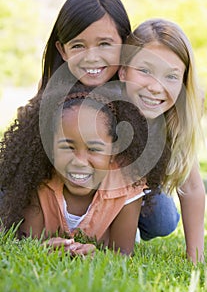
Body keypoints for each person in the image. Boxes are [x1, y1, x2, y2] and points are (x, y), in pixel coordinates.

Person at [36, 0, 181, 241]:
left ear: (124, 43)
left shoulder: (136, 84)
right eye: (78, 45)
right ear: (63, 50)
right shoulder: (57, 93)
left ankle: (118, 221)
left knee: (162, 219)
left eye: (105, 44)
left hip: (126, 180)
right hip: (74, 174)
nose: (92, 57)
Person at [0, 83, 153, 256]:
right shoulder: (36, 178)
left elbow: (123, 254)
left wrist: (98, 256)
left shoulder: (127, 186)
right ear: (50, 149)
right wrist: (43, 248)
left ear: (113, 152)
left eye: (94, 149)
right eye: (67, 147)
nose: (79, 161)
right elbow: (28, 243)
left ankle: (136, 233)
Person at [118, 18, 205, 263]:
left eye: (171, 76)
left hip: (141, 188)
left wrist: (195, 257)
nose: (156, 87)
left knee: (162, 219)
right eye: (145, 71)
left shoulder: (175, 119)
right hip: (95, 186)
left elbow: (193, 187)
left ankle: (133, 223)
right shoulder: (103, 106)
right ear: (123, 70)